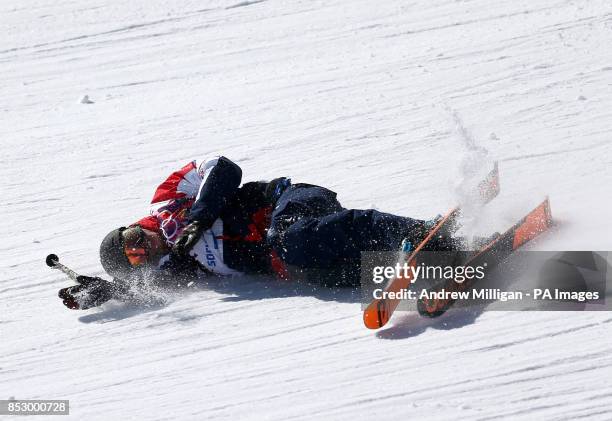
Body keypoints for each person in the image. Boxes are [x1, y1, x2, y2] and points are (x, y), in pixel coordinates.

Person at [59, 156, 451, 310]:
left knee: (295, 241)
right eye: (135, 258)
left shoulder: (167, 201)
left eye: (132, 239)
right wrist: (109, 290)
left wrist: (198, 217)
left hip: (285, 205)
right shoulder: (175, 267)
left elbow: (224, 167)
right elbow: (143, 291)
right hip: (291, 261)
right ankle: (448, 262)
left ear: (133, 226)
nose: (143, 247)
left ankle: (421, 232)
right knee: (318, 274)